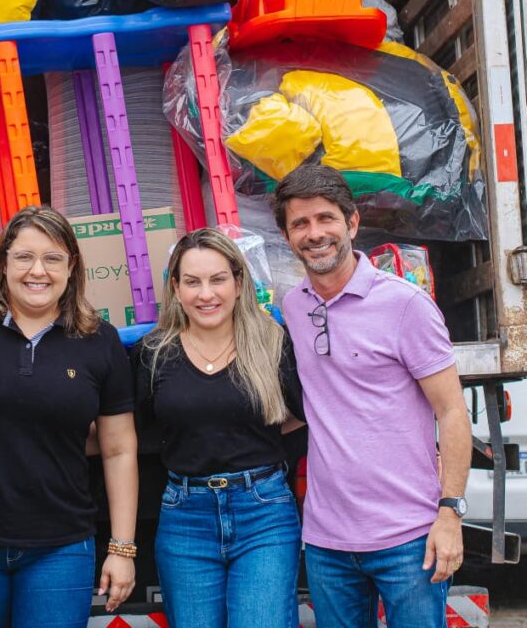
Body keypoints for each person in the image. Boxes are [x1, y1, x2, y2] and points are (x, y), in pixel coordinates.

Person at [0, 205, 138, 628]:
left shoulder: (97, 340)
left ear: (71, 266)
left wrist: (122, 548)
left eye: (52, 258)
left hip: (60, 545)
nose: (38, 271)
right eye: (24, 257)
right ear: (4, 262)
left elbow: (120, 448)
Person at [274, 164, 472, 628]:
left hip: (409, 538)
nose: (314, 233)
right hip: (327, 541)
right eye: (300, 223)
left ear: (352, 223)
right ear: (286, 235)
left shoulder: (405, 304)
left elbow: (452, 411)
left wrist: (450, 514)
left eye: (326, 219)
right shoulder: (293, 307)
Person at [134, 228, 304, 628]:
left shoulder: (271, 343)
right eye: (192, 282)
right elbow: (130, 433)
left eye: (218, 279)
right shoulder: (153, 353)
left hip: (264, 512)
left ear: (238, 282)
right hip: (185, 515)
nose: (205, 294)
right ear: (175, 287)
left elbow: (304, 411)